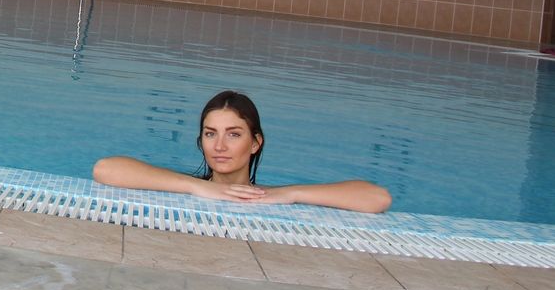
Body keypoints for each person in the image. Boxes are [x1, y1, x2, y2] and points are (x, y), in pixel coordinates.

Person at [92, 90, 392, 213]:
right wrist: (197, 187)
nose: (219, 146)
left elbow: (377, 198)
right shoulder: (186, 186)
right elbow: (105, 168)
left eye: (234, 134)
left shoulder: (268, 195)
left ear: (255, 143)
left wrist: (290, 193)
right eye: (210, 134)